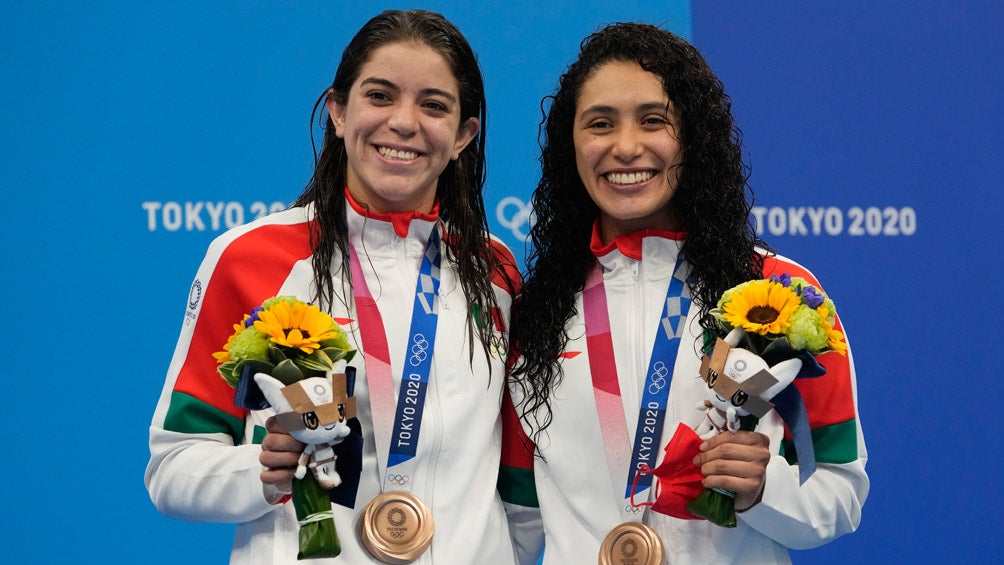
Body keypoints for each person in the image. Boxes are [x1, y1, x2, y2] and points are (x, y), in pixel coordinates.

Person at [146, 9, 521, 564]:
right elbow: (172, 468)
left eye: (434, 105)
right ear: (339, 112)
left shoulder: (494, 272)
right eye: (380, 96)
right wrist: (261, 470)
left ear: (465, 134)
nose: (404, 122)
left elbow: (515, 482)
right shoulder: (253, 258)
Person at [499, 22, 868, 564]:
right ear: (570, 146)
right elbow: (516, 519)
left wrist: (763, 493)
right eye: (600, 123)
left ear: (693, 136)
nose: (626, 147)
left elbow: (840, 491)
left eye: (654, 121)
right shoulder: (539, 312)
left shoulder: (780, 297)